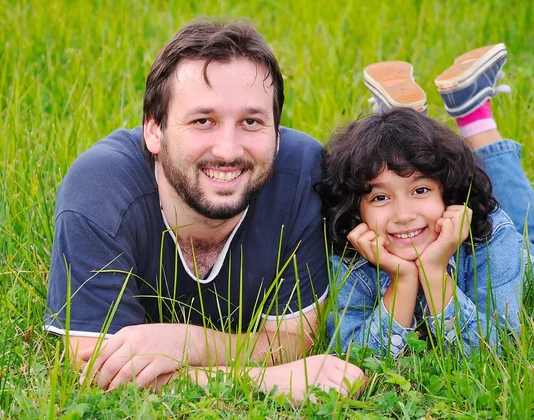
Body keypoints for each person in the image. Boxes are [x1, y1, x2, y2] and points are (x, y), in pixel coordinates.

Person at [44, 19, 365, 398]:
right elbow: (97, 366)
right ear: (154, 131)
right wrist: (265, 381)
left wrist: (183, 342)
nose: (228, 150)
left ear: (277, 135)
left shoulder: (301, 174)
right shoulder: (100, 189)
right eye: (203, 121)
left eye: (251, 121)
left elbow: (294, 338)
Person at [318, 44, 534, 357]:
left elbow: (497, 351)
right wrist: (403, 279)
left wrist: (434, 271)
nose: (404, 215)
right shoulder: (353, 251)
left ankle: (469, 113)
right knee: (409, 155)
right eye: (380, 197)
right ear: (358, 209)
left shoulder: (491, 235)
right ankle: (425, 123)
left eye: (420, 190)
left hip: (524, 254)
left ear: (448, 194)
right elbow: (357, 357)